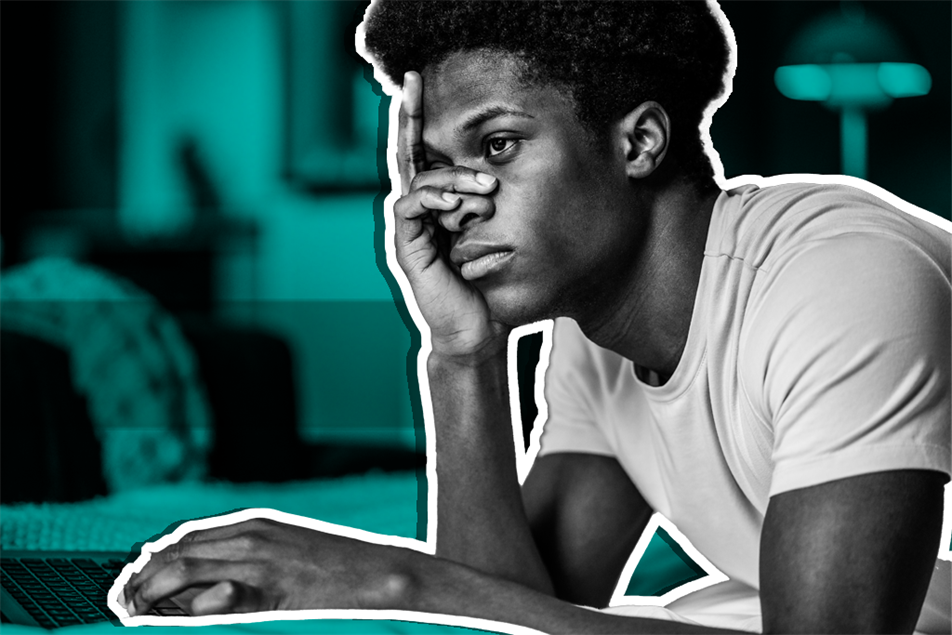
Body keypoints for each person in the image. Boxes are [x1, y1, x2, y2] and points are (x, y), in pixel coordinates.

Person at [119, 0, 951, 633]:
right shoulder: (596, 332)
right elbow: (517, 610)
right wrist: (458, 353)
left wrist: (391, 579)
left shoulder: (841, 273)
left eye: (499, 146)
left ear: (638, 142)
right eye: (437, 165)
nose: (456, 201)